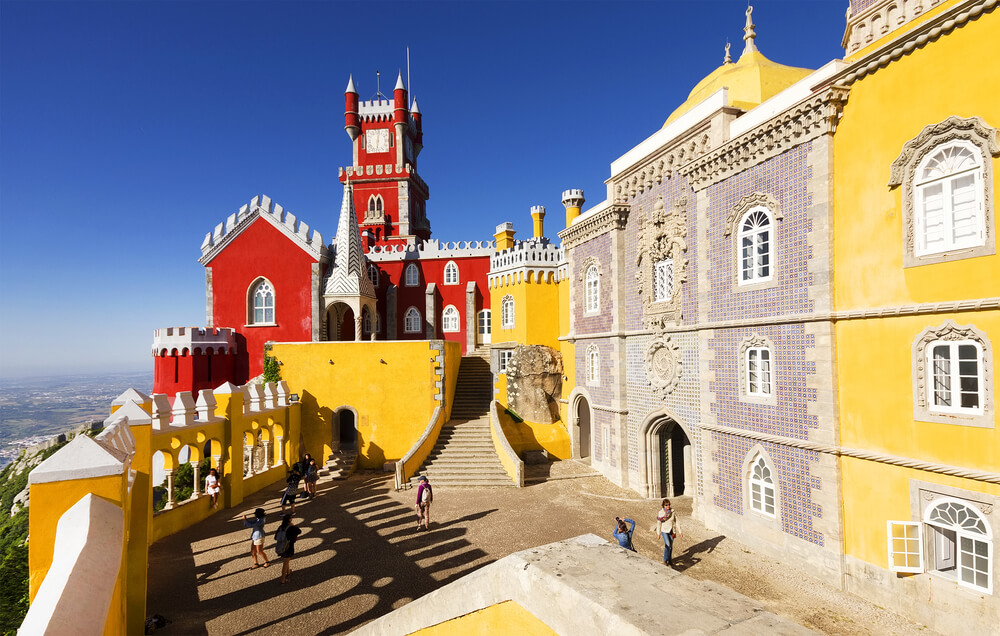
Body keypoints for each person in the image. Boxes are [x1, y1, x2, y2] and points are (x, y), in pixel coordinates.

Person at [274, 513, 302, 584]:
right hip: (288, 546)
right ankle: (283, 579)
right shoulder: (290, 527)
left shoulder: (281, 527)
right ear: (289, 519)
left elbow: (275, 537)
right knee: (285, 562)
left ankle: (288, 571)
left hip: (281, 546)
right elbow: (299, 531)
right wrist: (293, 526)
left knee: (286, 559)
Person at [654, 498, 682, 566]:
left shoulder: (672, 511)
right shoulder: (661, 513)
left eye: (669, 505)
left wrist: (680, 531)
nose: (668, 506)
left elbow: (677, 521)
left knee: (671, 546)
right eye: (666, 505)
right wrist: (658, 533)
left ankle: (669, 560)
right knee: (668, 544)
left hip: (672, 530)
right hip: (664, 530)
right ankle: (665, 559)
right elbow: (659, 523)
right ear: (663, 505)